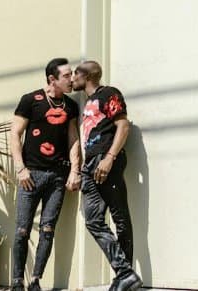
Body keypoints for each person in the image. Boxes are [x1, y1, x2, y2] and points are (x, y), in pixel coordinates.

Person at [9, 57, 81, 291]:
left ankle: (35, 281)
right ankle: (17, 281)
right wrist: (21, 169)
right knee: (22, 230)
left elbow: (73, 140)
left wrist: (74, 171)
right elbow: (14, 135)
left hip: (57, 178)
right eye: (67, 75)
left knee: (48, 230)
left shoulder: (71, 106)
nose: (72, 79)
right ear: (53, 79)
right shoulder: (30, 100)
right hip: (30, 176)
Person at [72, 59, 142, 291]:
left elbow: (123, 126)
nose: (72, 78)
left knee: (120, 217)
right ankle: (125, 273)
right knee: (93, 220)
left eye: (75, 74)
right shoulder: (89, 102)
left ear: (87, 76)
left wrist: (109, 158)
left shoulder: (109, 93)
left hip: (106, 159)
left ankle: (125, 277)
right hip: (91, 164)